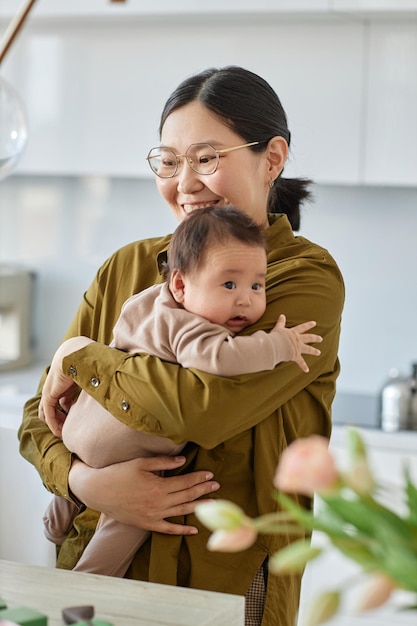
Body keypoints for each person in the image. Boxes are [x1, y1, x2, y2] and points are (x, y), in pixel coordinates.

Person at [19, 66, 345, 626]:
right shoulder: (126, 267)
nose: (185, 182)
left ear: (272, 158)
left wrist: (81, 358)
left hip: (226, 582)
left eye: (206, 158)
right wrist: (84, 483)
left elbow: (203, 407)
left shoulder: (301, 279)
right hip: (95, 566)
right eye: (170, 161)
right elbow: (37, 417)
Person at [42, 206, 322, 578]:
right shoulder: (191, 327)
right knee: (134, 516)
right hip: (128, 445)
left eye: (257, 285)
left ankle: (57, 517)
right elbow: (221, 357)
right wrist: (279, 346)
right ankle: (91, 577)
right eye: (229, 285)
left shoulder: (145, 302)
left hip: (84, 427)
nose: (245, 300)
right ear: (180, 285)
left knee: (88, 472)